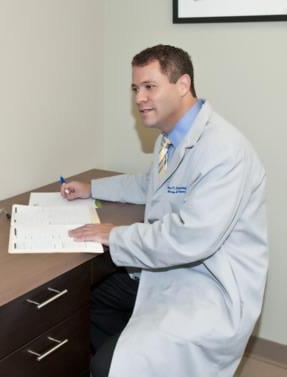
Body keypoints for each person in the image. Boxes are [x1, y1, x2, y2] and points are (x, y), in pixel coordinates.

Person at [61, 45, 267, 377]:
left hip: (209, 287)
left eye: (149, 87)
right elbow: (149, 185)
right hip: (173, 272)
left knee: (105, 367)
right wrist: (92, 188)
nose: (139, 98)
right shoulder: (169, 139)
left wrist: (115, 234)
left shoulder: (224, 151)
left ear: (183, 84)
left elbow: (191, 237)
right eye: (135, 88)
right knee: (92, 301)